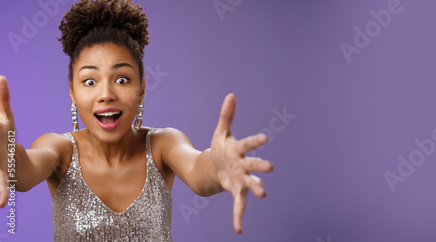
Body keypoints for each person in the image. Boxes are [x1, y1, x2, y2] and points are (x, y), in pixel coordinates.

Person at [0, 0, 273, 240]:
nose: (106, 94)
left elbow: (199, 170)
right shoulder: (60, 149)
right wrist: (6, 151)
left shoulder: (163, 144)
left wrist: (218, 166)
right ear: (72, 91)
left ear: (141, 88)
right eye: (90, 81)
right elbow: (22, 172)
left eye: (122, 79)